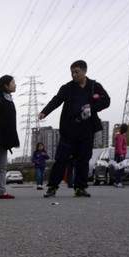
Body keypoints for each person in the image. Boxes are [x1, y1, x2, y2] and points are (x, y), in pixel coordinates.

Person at [38, 60, 110, 198]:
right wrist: (44, 112)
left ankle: (80, 188)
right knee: (61, 159)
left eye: (77, 72)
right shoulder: (68, 88)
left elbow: (106, 101)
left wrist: (92, 106)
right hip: (70, 128)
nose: (74, 75)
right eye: (72, 73)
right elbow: (56, 100)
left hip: (87, 128)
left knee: (83, 159)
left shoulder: (94, 86)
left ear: (85, 71)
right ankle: (52, 187)